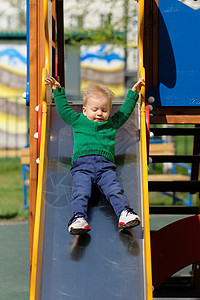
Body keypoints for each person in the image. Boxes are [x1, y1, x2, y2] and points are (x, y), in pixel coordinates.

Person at [45, 77, 144, 235]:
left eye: (104, 110)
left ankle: (124, 213)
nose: (99, 113)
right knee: (80, 191)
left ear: (109, 111)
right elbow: (64, 110)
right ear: (85, 110)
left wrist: (133, 93)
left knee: (114, 190)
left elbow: (124, 112)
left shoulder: (111, 123)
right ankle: (79, 217)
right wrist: (57, 91)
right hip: (82, 167)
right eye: (95, 109)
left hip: (106, 168)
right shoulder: (78, 121)